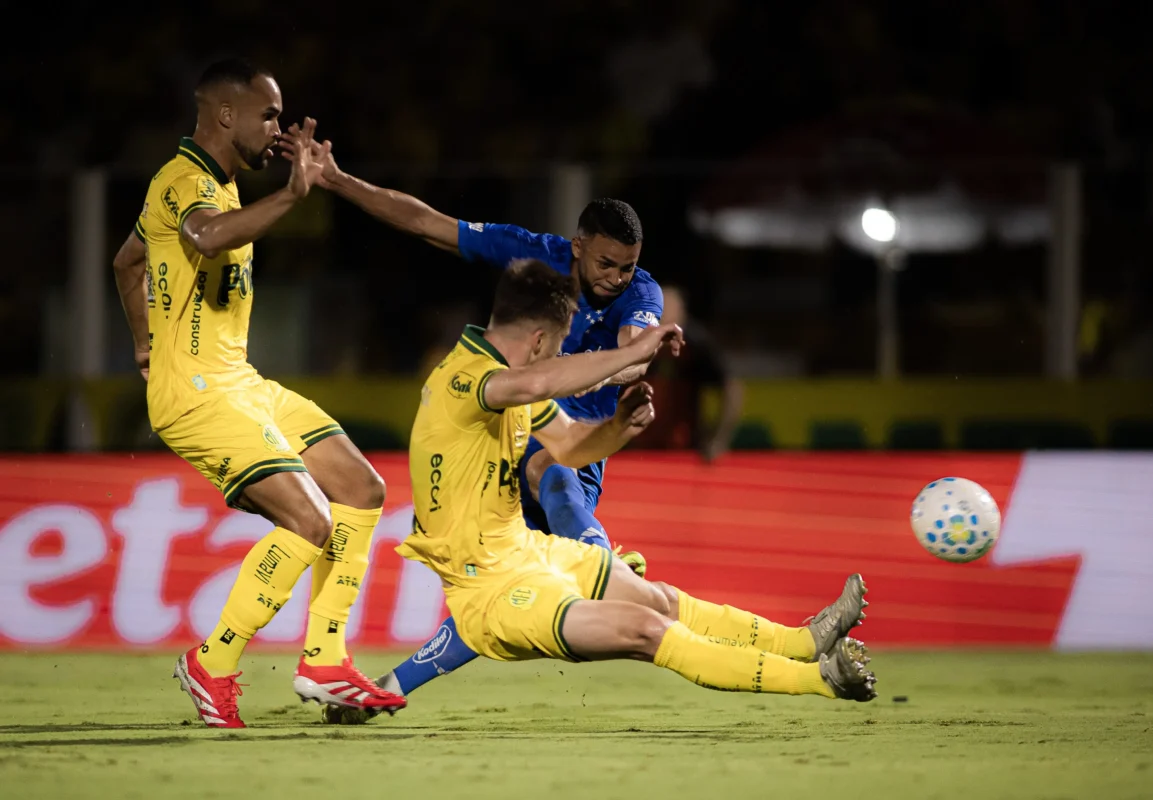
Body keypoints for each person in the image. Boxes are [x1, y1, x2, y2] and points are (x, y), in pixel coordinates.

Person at [350, 259, 876, 719]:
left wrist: (618, 426)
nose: (556, 356)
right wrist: (636, 350)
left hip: (530, 551)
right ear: (539, 340)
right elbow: (536, 383)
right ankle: (821, 679)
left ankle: (804, 642)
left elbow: (571, 444)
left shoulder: (505, 379)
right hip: (492, 592)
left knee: (660, 600)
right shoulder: (466, 380)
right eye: (557, 347)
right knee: (644, 630)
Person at [279, 131, 663, 702]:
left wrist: (614, 367)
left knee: (524, 538)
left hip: (578, 444)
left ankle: (596, 563)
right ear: (578, 246)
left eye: (628, 267)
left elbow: (637, 355)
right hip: (513, 436)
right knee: (510, 556)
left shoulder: (640, 293)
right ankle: (600, 563)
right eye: (607, 263)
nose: (618, 278)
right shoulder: (534, 255)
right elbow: (425, 222)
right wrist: (336, 180)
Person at [111, 58, 406, 728]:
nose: (279, 126)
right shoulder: (184, 181)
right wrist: (296, 196)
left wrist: (142, 341)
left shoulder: (221, 181)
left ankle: (326, 660)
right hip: (197, 395)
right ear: (225, 115)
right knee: (310, 522)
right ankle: (211, 663)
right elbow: (207, 238)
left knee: (361, 489)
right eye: (269, 113)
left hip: (239, 382)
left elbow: (127, 260)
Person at [626, 284, 743, 460]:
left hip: (684, 454)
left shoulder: (697, 346)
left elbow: (732, 390)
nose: (662, 315)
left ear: (682, 313)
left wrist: (718, 440)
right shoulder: (631, 341)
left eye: (669, 309)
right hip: (635, 452)